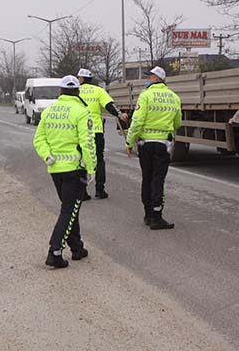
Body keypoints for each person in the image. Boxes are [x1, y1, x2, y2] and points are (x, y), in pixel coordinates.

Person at [33, 75, 97, 268]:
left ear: (60, 91)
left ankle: (77, 247)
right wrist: (91, 168)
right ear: (77, 91)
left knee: (70, 208)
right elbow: (87, 143)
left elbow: (39, 139)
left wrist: (47, 156)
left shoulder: (49, 111)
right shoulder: (82, 112)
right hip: (74, 169)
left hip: (55, 169)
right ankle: (55, 252)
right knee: (69, 210)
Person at [125, 66, 182, 230]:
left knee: (147, 178)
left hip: (146, 144)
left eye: (149, 76)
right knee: (158, 179)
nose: (147, 79)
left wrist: (129, 142)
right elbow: (178, 122)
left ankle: (148, 215)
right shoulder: (174, 97)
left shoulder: (145, 96)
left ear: (157, 78)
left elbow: (137, 121)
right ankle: (157, 216)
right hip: (163, 145)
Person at [77, 68, 128, 200]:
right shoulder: (98, 90)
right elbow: (110, 105)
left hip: (79, 132)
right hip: (96, 131)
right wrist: (120, 114)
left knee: (81, 160)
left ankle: (82, 192)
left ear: (81, 79)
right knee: (99, 159)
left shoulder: (75, 90)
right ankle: (100, 190)